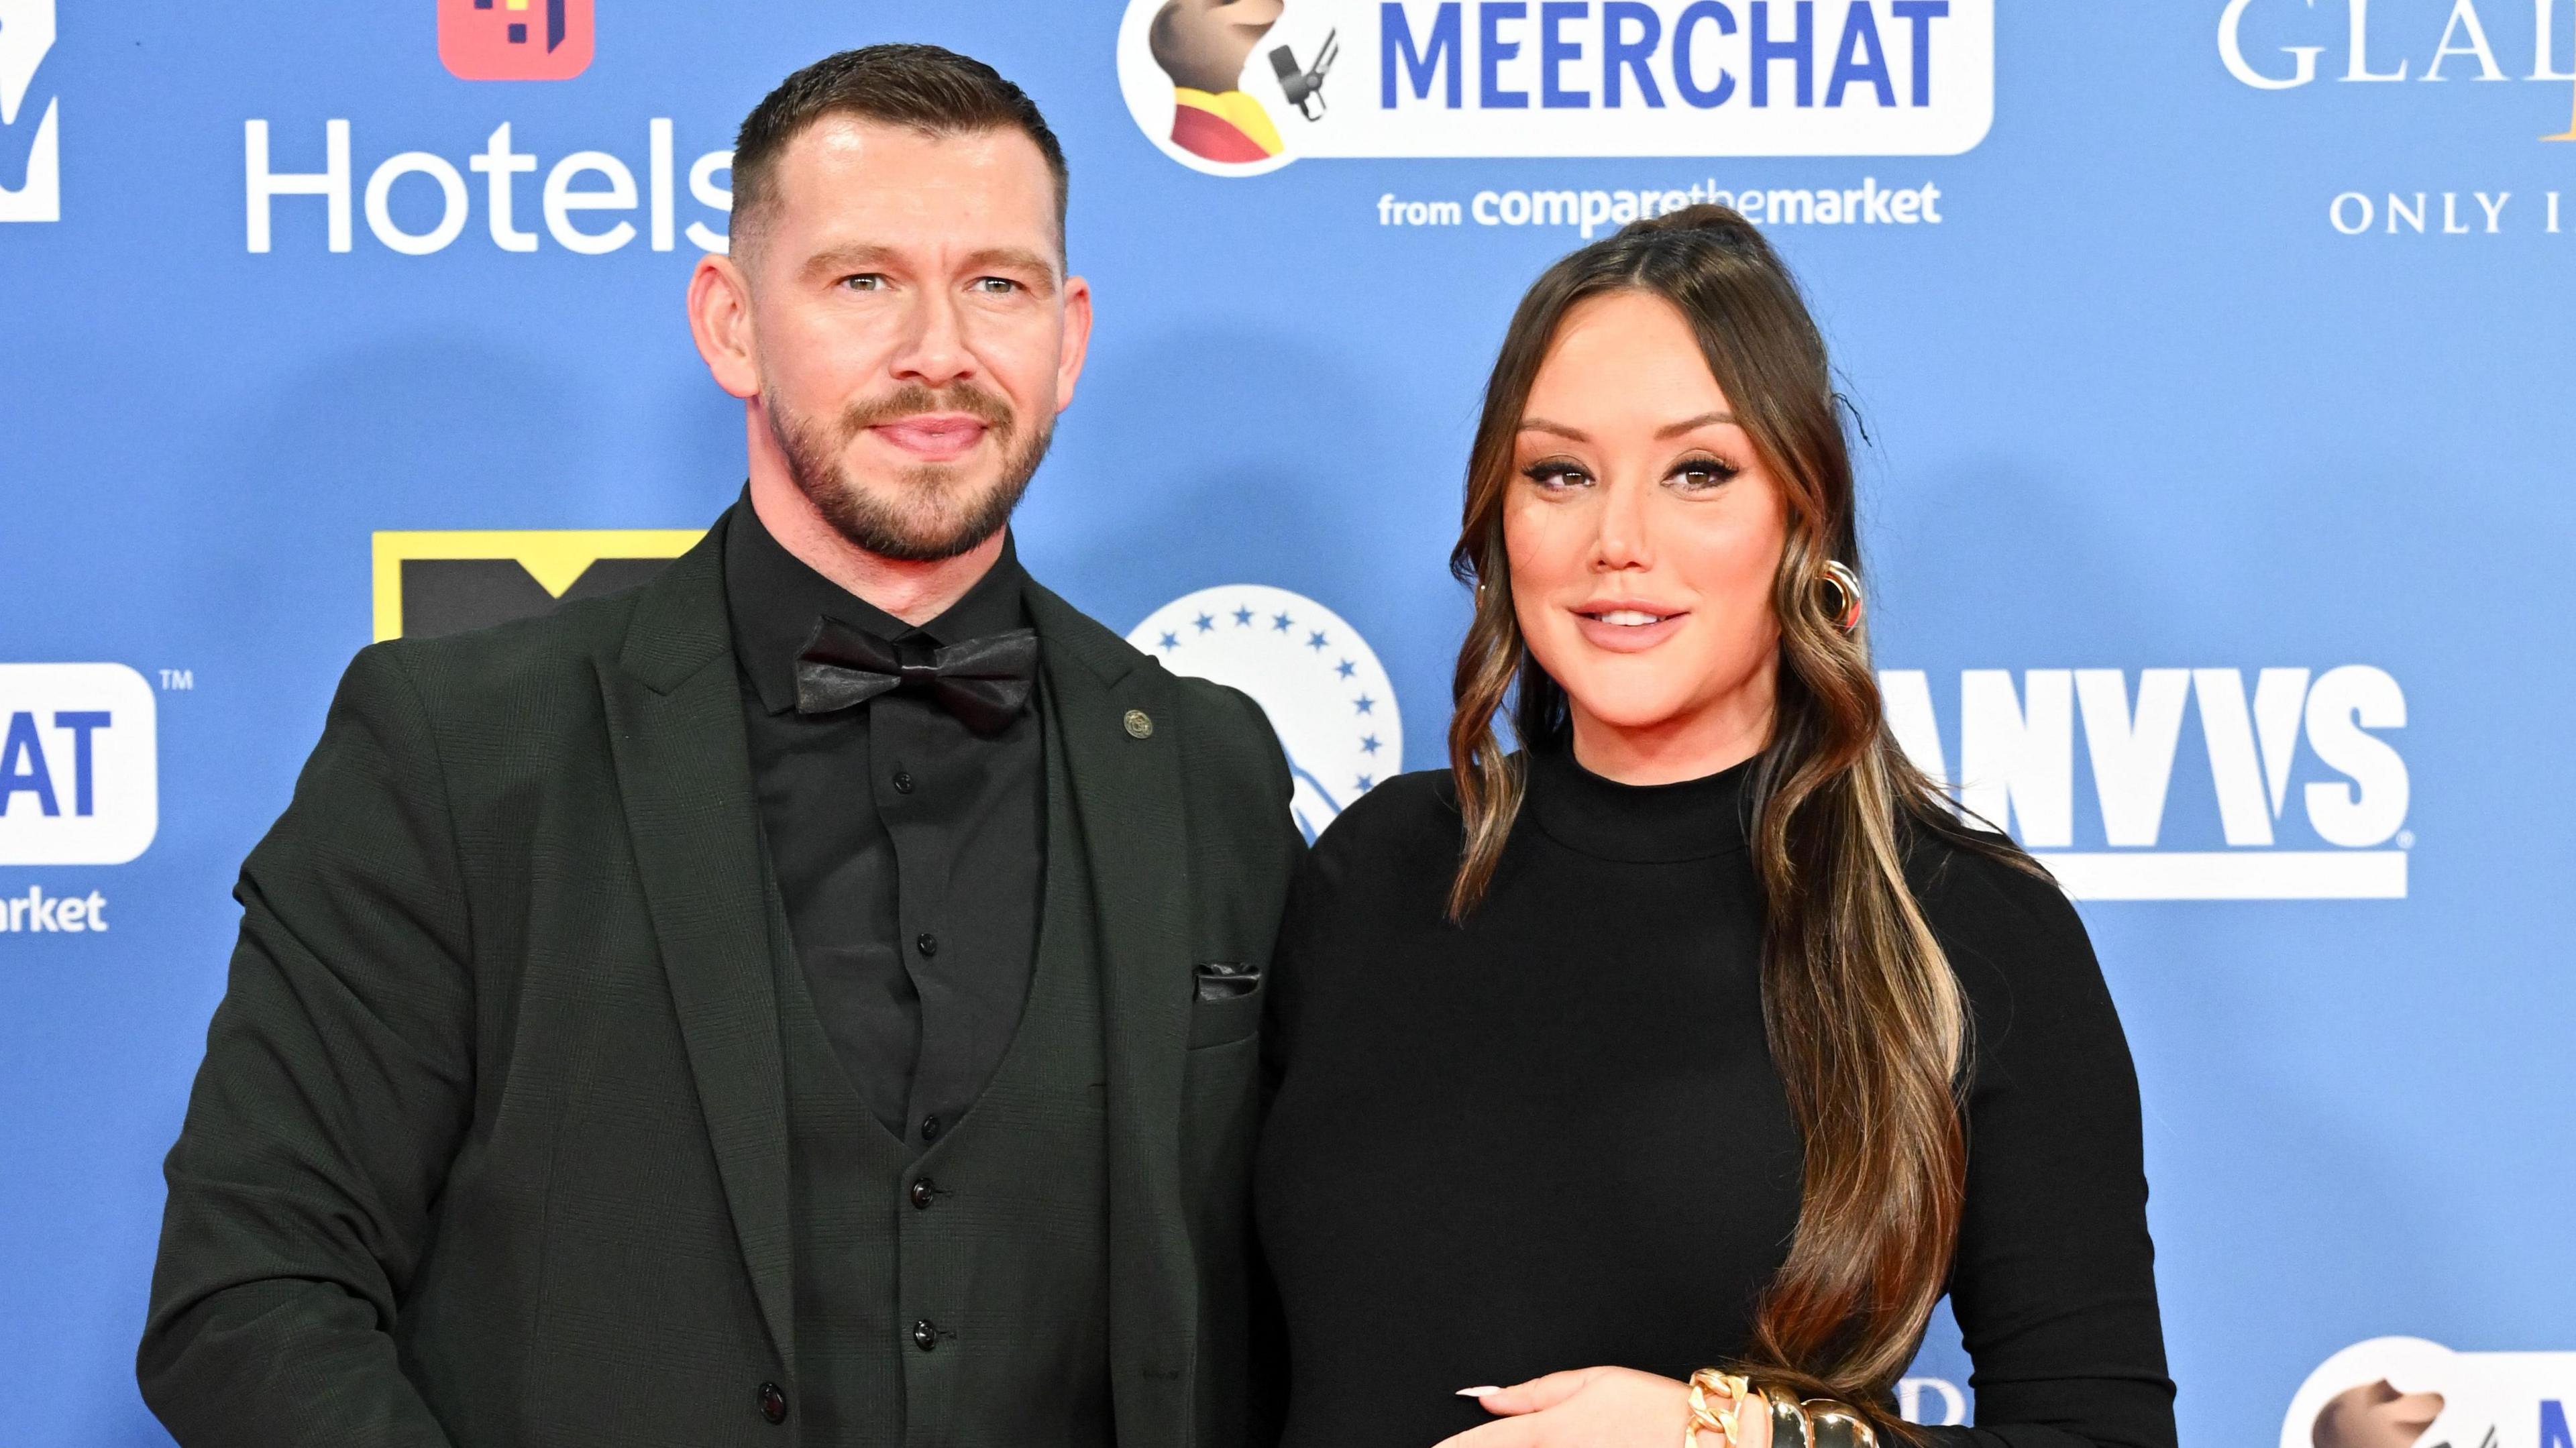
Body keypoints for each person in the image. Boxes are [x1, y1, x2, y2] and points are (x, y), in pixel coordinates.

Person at [138, 44, 1303, 1448]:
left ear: (1068, 338)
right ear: (732, 324)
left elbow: (1343, 1268)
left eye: (996, 283)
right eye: (863, 279)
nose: (939, 349)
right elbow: (252, 1293)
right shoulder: (454, 757)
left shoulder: (1206, 771)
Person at [1252, 209, 2178, 1448]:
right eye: (1559, 473)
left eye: (1699, 471)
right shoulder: (1374, 872)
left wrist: (1727, 1437)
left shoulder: (1963, 925)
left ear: (1803, 518)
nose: (1616, 542)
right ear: (1500, 518)